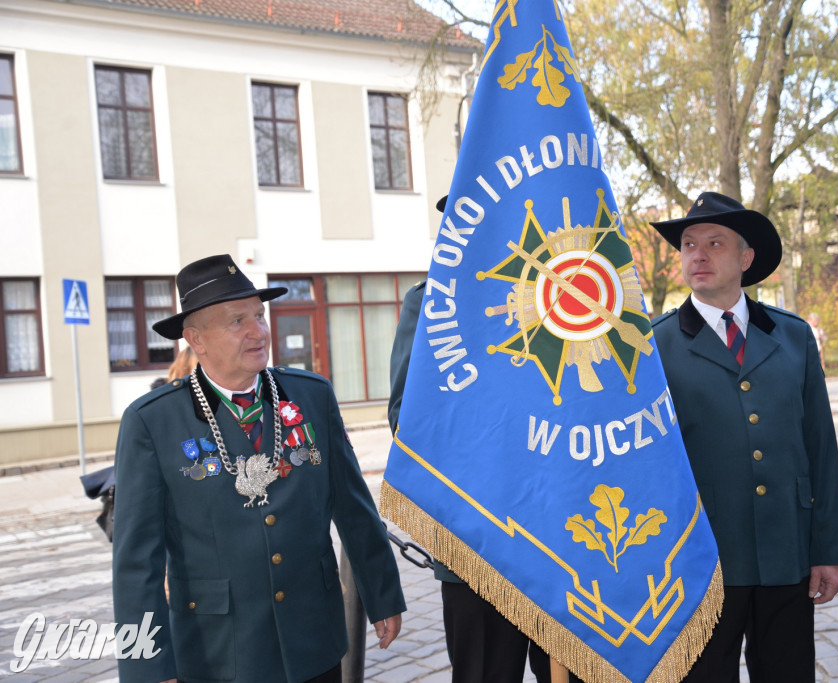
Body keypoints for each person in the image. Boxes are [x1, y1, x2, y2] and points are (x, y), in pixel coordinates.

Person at [112, 254, 405, 682]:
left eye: (259, 316)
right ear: (196, 339)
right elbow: (137, 560)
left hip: (314, 639)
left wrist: (382, 595)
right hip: (218, 652)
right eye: (237, 322)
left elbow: (354, 506)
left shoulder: (311, 396)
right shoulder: (153, 421)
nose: (258, 332)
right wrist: (148, 667)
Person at [649, 192, 838, 683]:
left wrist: (828, 548)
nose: (698, 254)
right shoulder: (655, 345)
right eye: (689, 244)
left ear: (745, 258)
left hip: (786, 552)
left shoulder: (793, 337)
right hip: (702, 561)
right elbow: (648, 464)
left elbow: (820, 449)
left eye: (715, 243)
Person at [387, 198, 577, 683]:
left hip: (561, 538)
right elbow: (406, 419)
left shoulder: (566, 297)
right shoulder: (429, 301)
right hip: (478, 537)